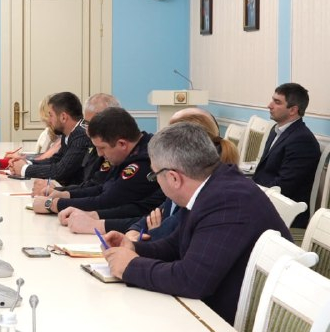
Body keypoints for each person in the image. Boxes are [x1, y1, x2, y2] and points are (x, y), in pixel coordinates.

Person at [102, 122, 290, 324]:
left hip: (231, 320)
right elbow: (175, 244)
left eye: (154, 175)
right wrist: (134, 248)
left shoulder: (227, 200)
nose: (157, 181)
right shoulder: (211, 184)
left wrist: (130, 266)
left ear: (174, 178)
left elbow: (191, 280)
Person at [65, 107, 240, 237]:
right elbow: (153, 211)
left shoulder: (203, 188)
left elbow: (169, 230)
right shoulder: (182, 175)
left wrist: (154, 234)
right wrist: (137, 230)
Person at [34, 107, 164, 218]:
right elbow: (103, 187)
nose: (100, 154)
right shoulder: (128, 153)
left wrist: (53, 205)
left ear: (122, 144)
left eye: (102, 148)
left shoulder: (144, 162)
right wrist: (65, 194)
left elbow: (107, 201)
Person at [253, 83, 321, 228]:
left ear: (293, 110)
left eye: (277, 102)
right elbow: (264, 173)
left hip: (286, 215)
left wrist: (251, 193)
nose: (269, 105)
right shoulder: (276, 130)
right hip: (266, 202)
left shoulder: (302, 140)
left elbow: (284, 187)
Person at [29, 93, 119, 197]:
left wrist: (56, 193)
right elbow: (91, 185)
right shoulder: (91, 142)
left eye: (91, 124)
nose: (87, 131)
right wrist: (56, 191)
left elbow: (99, 193)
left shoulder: (82, 136)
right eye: (86, 123)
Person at [8, 92, 90, 186]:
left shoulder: (81, 135)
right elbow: (55, 160)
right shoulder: (69, 131)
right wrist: (27, 163)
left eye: (51, 115)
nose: (49, 120)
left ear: (63, 117)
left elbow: (60, 171)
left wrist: (24, 169)